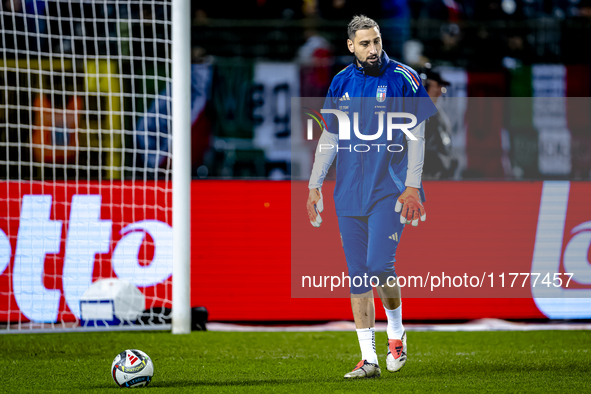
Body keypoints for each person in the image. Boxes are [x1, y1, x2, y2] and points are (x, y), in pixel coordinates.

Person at [306, 15, 437, 379]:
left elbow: (417, 137)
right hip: (348, 191)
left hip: (390, 189)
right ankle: (369, 360)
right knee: (358, 277)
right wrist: (315, 183)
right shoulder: (340, 82)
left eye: (376, 41)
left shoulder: (404, 78)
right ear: (351, 46)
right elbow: (329, 136)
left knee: (380, 266)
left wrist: (413, 185)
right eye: (365, 43)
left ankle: (396, 332)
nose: (373, 49)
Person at [420, 67, 458, 179]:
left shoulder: (435, 113)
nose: (440, 92)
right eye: (437, 87)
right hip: (428, 178)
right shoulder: (421, 116)